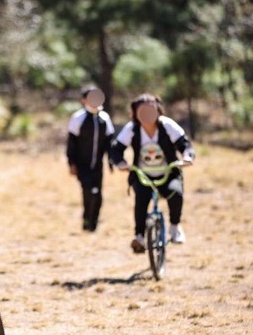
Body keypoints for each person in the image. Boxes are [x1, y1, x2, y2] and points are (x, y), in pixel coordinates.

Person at [110, 93, 195, 253]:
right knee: (141, 200)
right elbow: (116, 149)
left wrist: (187, 157)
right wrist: (120, 163)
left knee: (175, 194)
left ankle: (175, 227)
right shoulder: (132, 128)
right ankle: (139, 236)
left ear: (158, 111)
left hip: (168, 173)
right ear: (135, 114)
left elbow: (185, 145)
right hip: (143, 175)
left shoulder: (167, 125)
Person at [66, 85, 115, 232]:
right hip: (82, 164)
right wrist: (71, 163)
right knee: (88, 191)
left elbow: (109, 143)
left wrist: (111, 160)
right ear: (84, 100)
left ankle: (94, 223)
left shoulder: (104, 118)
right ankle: (86, 219)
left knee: (98, 194)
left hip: (98, 165)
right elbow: (71, 143)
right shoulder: (78, 118)